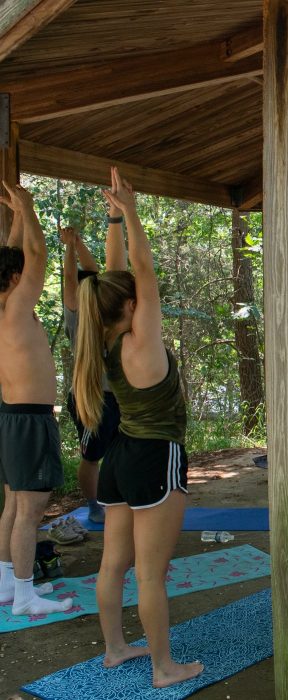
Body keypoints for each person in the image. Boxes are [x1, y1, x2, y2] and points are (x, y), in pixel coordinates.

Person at [74, 167, 202, 687]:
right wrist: (129, 211)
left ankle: (114, 649)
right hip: (154, 456)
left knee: (113, 564)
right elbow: (141, 271)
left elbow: (118, 274)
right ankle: (163, 667)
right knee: (150, 574)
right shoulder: (140, 342)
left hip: (119, 460)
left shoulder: (101, 337)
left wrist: (113, 216)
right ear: (131, 307)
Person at [0, 182, 73, 617]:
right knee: (30, 510)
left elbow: (11, 255)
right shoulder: (15, 306)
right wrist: (27, 207)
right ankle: (25, 595)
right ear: (14, 278)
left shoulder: (3, 303)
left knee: (13, 504)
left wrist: (18, 218)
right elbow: (37, 258)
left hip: (12, 417)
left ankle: (9, 582)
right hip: (28, 421)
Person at [62, 206, 127, 524]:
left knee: (117, 452)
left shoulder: (105, 311)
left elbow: (92, 270)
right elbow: (71, 281)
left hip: (116, 396)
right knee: (91, 456)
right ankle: (93, 505)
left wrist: (76, 243)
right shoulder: (77, 316)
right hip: (89, 397)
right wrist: (68, 251)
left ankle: (115, 499)